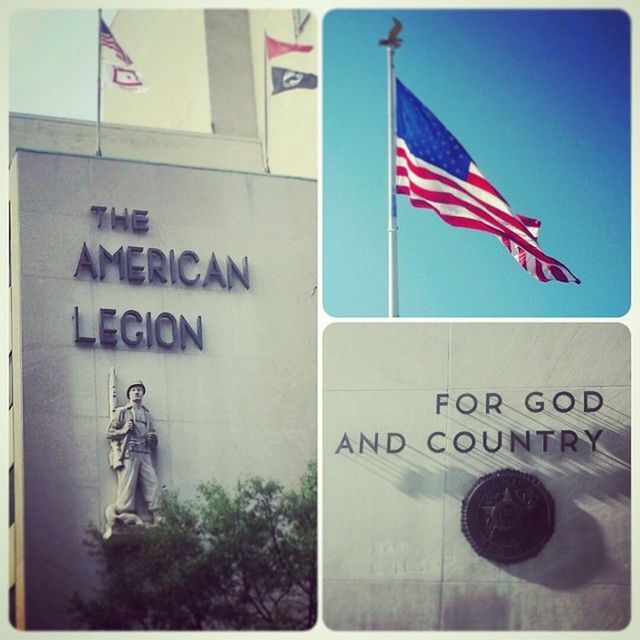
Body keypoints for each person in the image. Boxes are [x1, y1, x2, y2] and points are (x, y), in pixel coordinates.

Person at [105, 380, 160, 529]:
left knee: (152, 483)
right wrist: (123, 431)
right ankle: (125, 512)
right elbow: (109, 433)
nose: (136, 392)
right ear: (129, 393)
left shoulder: (148, 415)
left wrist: (153, 439)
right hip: (129, 452)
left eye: (139, 390)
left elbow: (153, 436)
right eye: (134, 390)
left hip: (145, 453)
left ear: (143, 393)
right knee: (127, 484)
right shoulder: (123, 412)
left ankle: (157, 514)